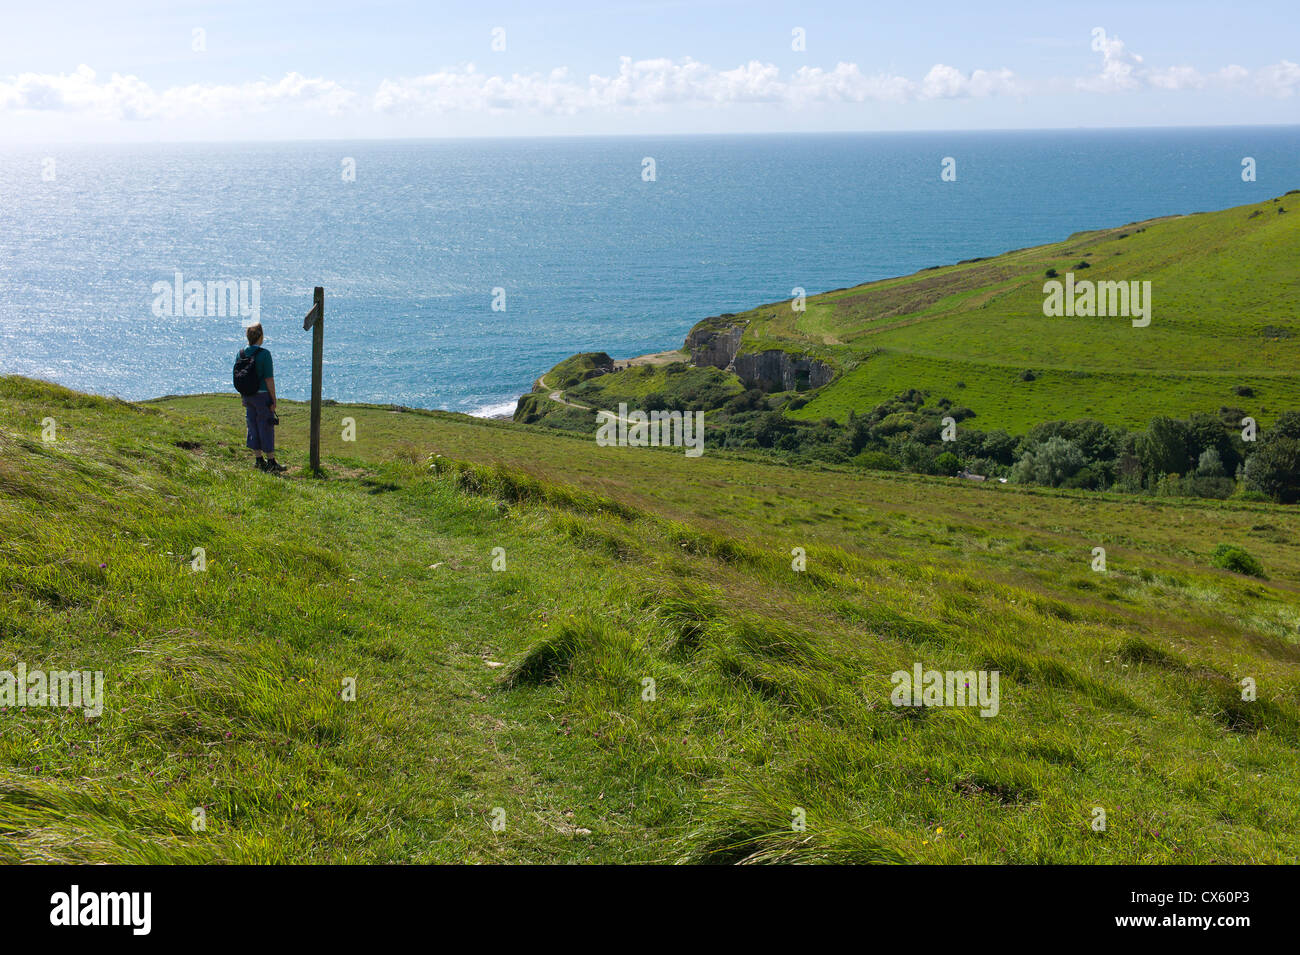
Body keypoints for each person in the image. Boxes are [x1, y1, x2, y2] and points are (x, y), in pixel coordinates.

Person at [239, 323, 286, 473]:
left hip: (248, 395)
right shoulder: (264, 354)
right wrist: (274, 399)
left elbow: (240, 377)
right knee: (266, 426)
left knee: (252, 425)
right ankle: (271, 461)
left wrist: (243, 396)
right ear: (261, 336)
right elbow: (269, 379)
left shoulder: (240, 353)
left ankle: (259, 459)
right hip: (262, 395)